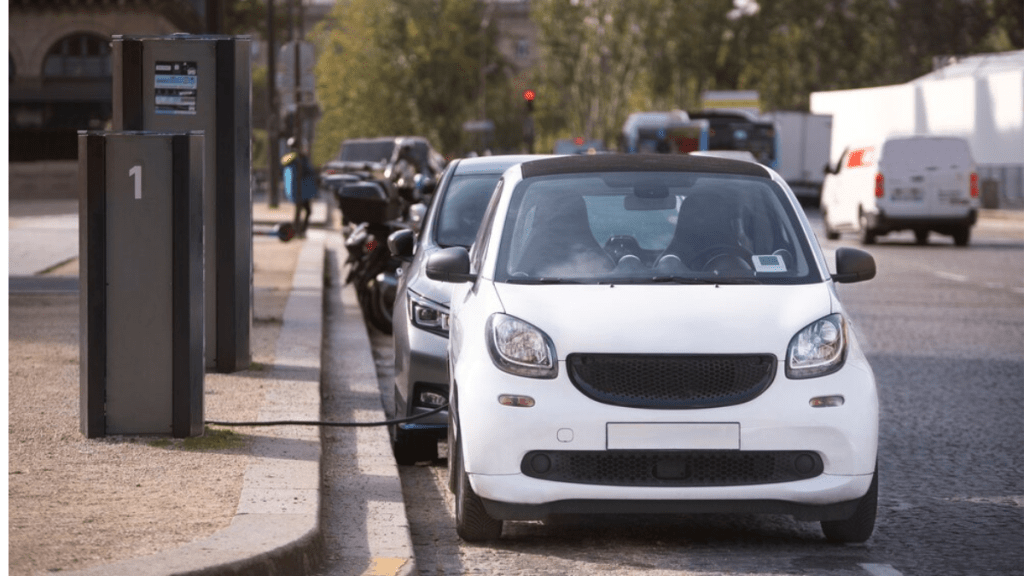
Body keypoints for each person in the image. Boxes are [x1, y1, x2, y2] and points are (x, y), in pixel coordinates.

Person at [281, 137, 317, 237]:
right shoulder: (299, 157)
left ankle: (298, 230)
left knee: (299, 210)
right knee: (306, 211)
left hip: (295, 189)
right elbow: (307, 170)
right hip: (301, 189)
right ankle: (299, 230)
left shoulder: (287, 158)